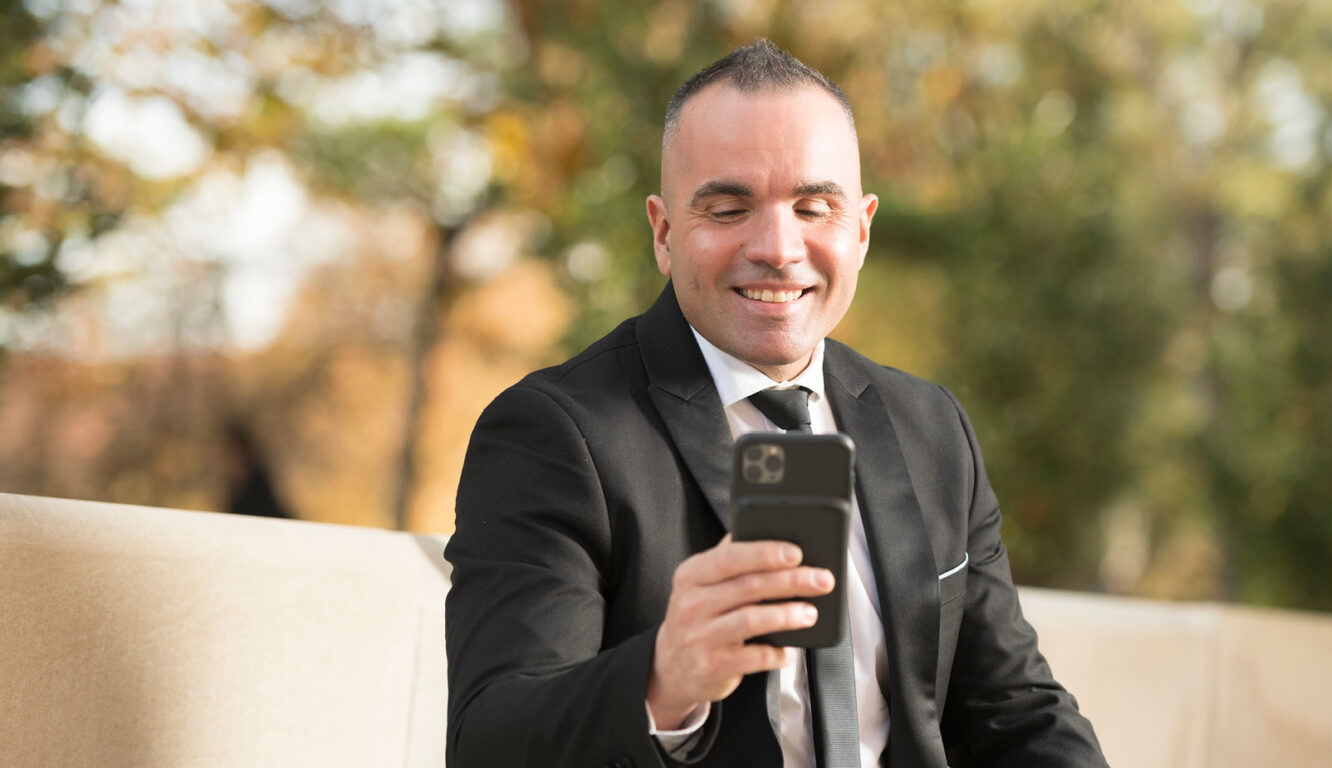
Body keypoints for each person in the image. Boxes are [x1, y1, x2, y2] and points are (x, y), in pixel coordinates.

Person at [445, 40, 1107, 768]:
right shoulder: (552, 434)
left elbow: (1013, 709)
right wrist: (664, 680)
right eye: (729, 208)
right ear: (665, 234)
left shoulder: (933, 427)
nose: (778, 247)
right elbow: (491, 740)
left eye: (815, 207)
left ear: (860, 230)